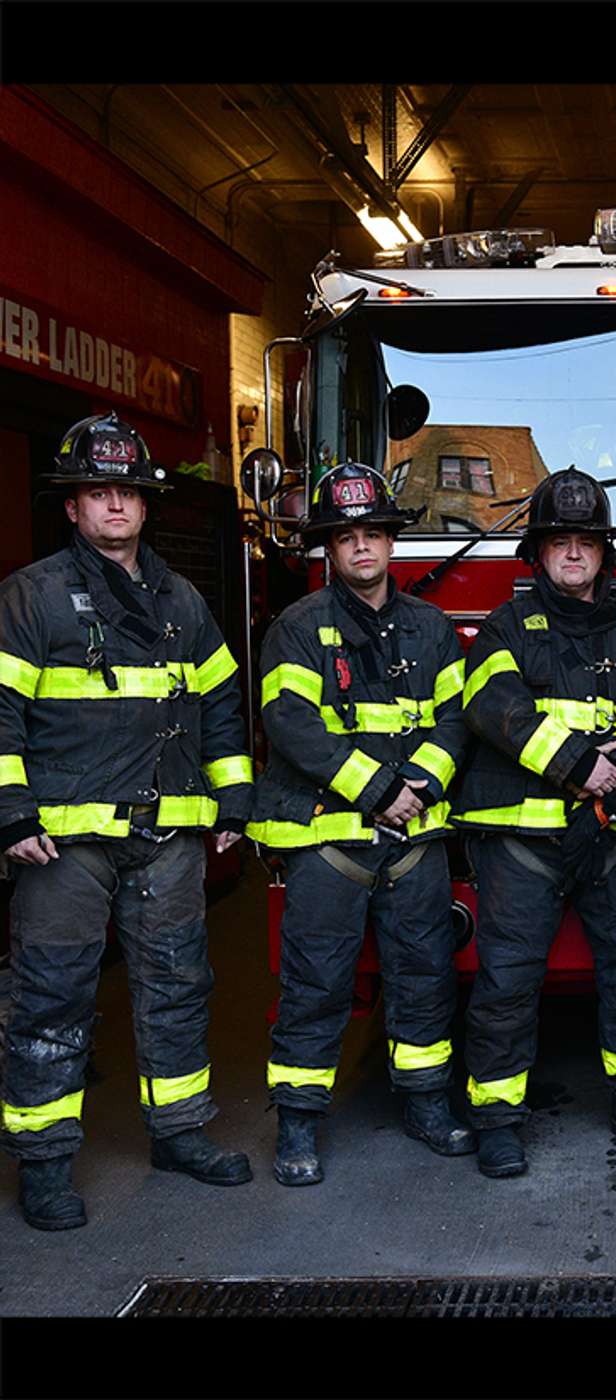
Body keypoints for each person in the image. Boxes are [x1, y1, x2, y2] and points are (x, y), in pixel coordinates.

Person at [0, 413, 253, 1230]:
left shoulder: (181, 599)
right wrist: (9, 815)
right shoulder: (30, 596)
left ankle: (179, 1131)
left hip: (168, 836)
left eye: (127, 493)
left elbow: (221, 701)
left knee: (178, 986)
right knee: (50, 996)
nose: (115, 505)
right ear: (71, 507)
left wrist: (233, 799)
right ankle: (42, 1163)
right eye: (97, 492)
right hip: (63, 844)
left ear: (146, 507)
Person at [452, 467, 616, 1179]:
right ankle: (497, 1118)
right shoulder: (506, 627)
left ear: (603, 553)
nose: (573, 553)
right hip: (522, 836)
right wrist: (580, 765)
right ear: (537, 553)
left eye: (585, 541)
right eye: (559, 541)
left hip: (612, 832)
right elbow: (492, 704)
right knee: (508, 978)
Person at [249, 463, 472, 1186]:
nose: (363, 548)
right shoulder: (297, 628)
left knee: (426, 977)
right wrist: (380, 789)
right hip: (327, 840)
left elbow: (456, 719)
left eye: (373, 533)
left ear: (391, 543)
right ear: (328, 551)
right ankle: (299, 1125)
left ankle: (427, 1106)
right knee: (317, 984)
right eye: (347, 538)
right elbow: (289, 723)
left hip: (415, 843)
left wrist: (424, 780)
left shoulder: (432, 629)